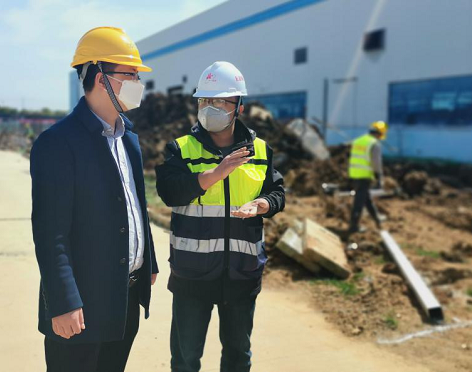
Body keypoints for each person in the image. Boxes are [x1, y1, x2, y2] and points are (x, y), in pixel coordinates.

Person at [30, 26, 159, 372]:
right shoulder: (59, 143)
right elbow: (50, 233)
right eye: (130, 75)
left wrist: (148, 261)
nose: (138, 83)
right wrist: (62, 303)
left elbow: (135, 204)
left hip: (125, 297)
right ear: (102, 78)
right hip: (81, 306)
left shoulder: (128, 137)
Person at [156, 61, 285, 372]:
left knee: (238, 357)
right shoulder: (180, 149)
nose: (210, 108)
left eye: (220, 101)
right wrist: (215, 173)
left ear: (239, 107)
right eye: (204, 100)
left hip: (242, 274)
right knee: (185, 360)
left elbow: (278, 192)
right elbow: (170, 192)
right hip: (192, 276)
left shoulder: (260, 151)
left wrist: (263, 204)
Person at [347, 121, 388, 233]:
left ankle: (376, 217)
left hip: (354, 174)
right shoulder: (374, 144)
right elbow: (376, 162)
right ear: (379, 134)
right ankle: (353, 226)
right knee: (359, 201)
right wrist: (379, 177)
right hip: (364, 175)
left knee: (365, 197)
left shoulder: (358, 140)